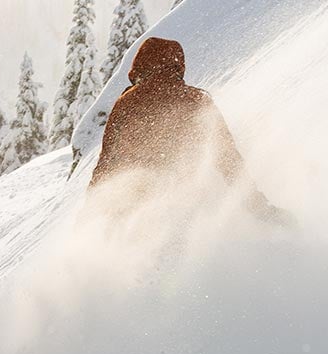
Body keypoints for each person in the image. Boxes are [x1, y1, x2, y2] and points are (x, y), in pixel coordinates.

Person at [89, 36, 293, 226]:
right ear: (178, 65)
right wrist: (259, 207)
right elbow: (227, 156)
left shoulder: (127, 103)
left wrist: (89, 209)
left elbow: (108, 159)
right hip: (182, 204)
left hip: (134, 204)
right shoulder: (196, 100)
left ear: (139, 66)